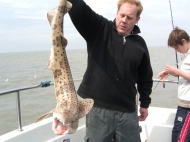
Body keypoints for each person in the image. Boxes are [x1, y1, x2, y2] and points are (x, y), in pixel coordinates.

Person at [67, 0, 153, 141]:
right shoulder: (100, 28)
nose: (124, 20)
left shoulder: (140, 44)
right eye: (122, 15)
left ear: (137, 19)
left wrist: (144, 103)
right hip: (98, 110)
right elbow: (79, 9)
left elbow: (145, 77)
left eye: (129, 17)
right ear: (116, 13)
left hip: (128, 112)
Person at [158, 27, 190, 142]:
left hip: (188, 107)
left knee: (182, 138)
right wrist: (170, 73)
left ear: (184, 41)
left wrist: (177, 71)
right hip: (182, 104)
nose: (176, 50)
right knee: (176, 133)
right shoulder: (185, 55)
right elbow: (185, 74)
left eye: (176, 47)